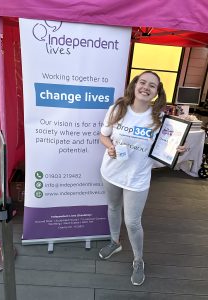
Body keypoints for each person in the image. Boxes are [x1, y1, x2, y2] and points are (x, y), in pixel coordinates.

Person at [98, 71, 186, 286]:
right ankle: (114, 242)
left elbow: (166, 147)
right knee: (112, 208)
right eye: (142, 82)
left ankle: (138, 260)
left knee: (133, 222)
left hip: (137, 176)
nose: (146, 87)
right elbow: (103, 135)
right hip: (111, 171)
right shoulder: (118, 108)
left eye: (152, 86)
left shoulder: (160, 119)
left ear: (157, 92)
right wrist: (110, 148)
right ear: (135, 85)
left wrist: (177, 150)